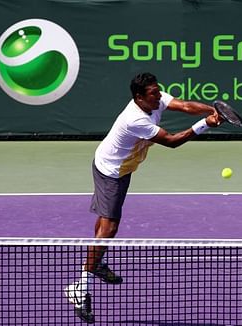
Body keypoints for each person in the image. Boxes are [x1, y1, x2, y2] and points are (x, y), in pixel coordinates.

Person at [64, 72, 223, 323]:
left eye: (158, 91)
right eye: (153, 94)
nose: (159, 96)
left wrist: (212, 110)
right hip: (112, 172)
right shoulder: (135, 119)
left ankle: (97, 262)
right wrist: (205, 124)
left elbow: (183, 105)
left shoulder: (154, 99)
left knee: (106, 223)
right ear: (139, 98)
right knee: (110, 227)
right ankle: (80, 286)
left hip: (121, 167)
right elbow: (170, 141)